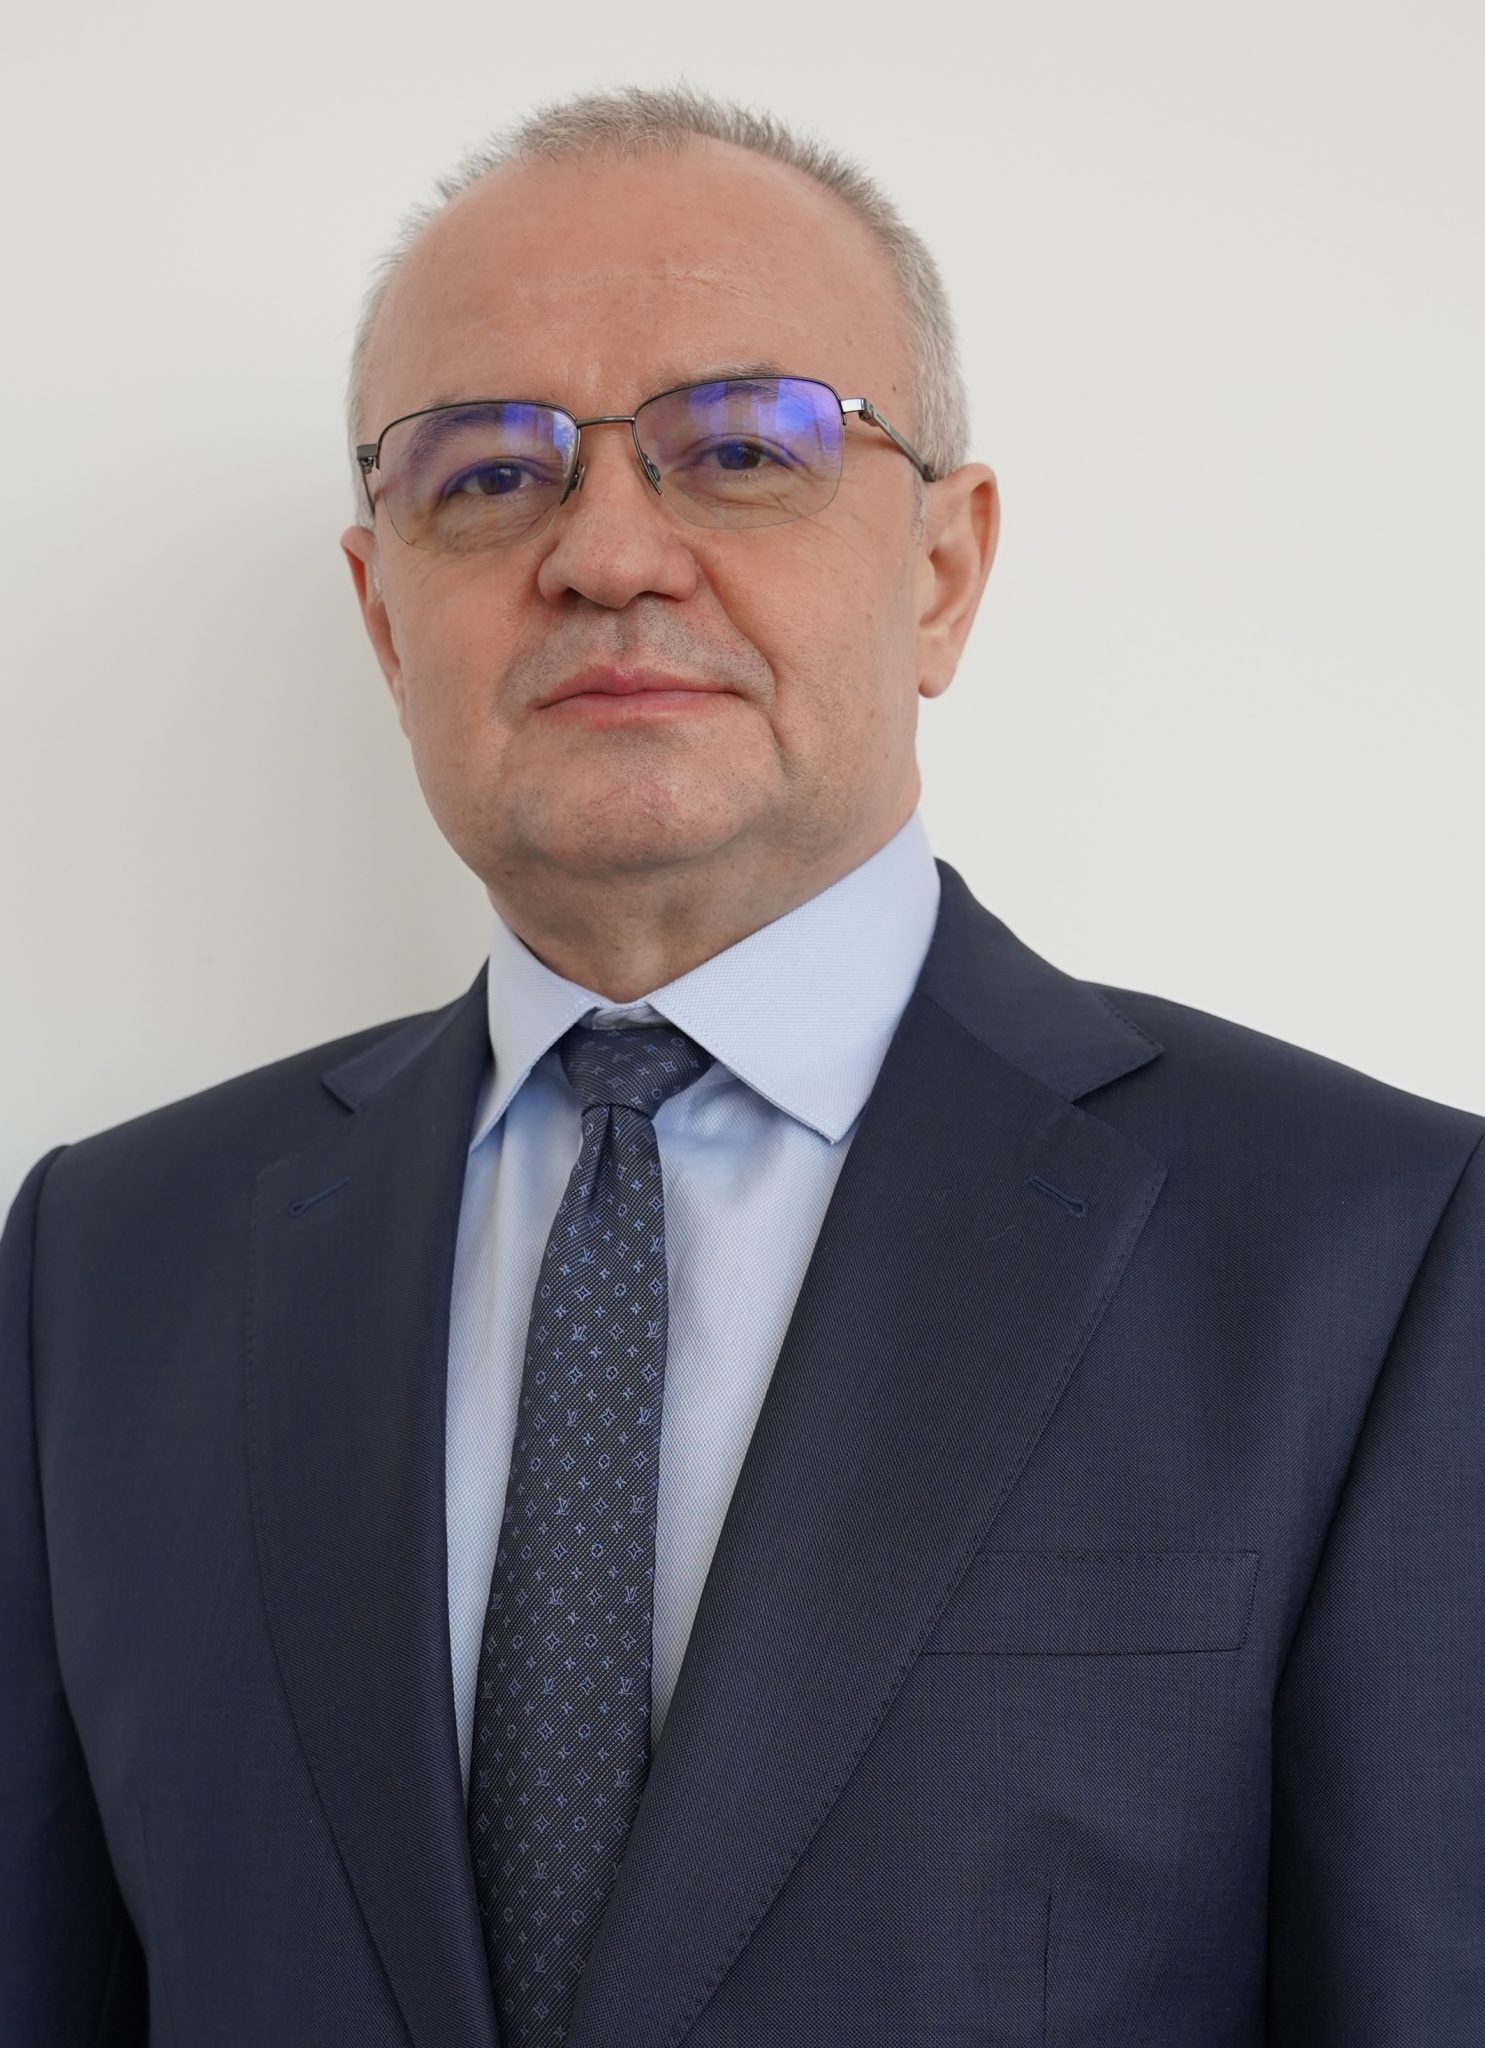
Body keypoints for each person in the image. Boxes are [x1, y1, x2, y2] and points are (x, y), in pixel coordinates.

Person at [2, 82, 1481, 2048]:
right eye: (486, 474)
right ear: (380, 614)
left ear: (941, 571)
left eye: (741, 448)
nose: (607, 552)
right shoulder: (105, 1263)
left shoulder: (1368, 1252)